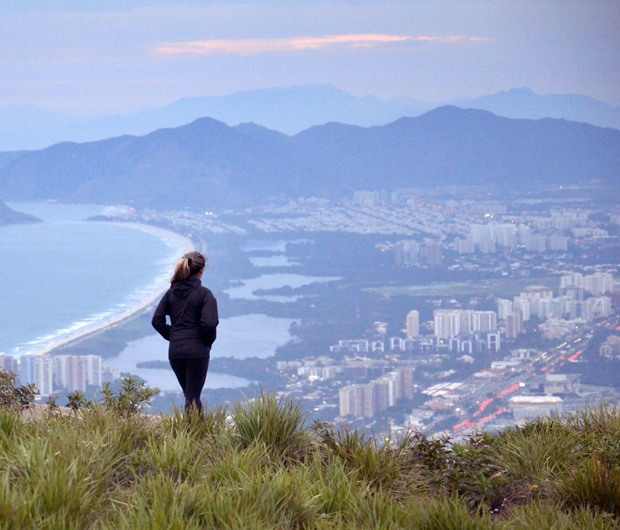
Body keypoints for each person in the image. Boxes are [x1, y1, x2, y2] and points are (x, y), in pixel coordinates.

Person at [152, 251, 218, 413]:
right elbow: (209, 324)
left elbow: (157, 321)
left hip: (176, 351)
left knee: (190, 396)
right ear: (201, 270)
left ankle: (194, 435)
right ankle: (193, 436)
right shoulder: (205, 294)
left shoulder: (171, 293)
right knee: (193, 397)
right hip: (197, 351)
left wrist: (174, 336)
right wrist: (206, 342)